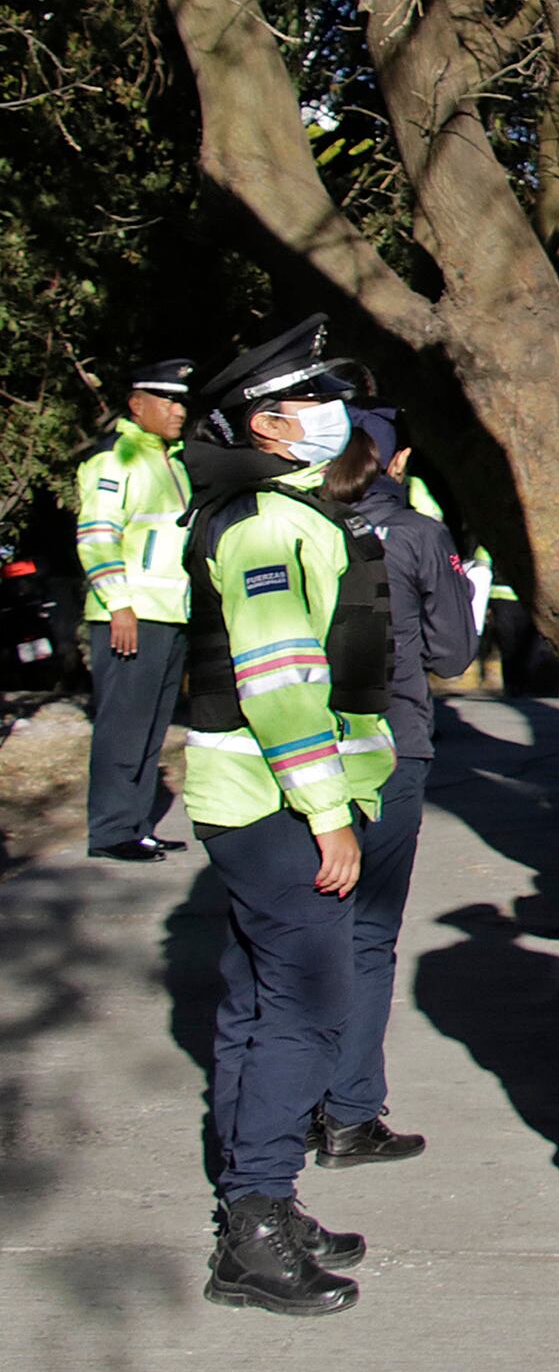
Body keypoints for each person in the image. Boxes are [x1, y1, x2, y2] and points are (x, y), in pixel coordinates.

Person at [179, 317, 395, 1316]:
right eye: (310, 400)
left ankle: (258, 1199)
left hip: (253, 802)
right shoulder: (268, 524)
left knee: (255, 1008)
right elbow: (281, 683)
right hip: (275, 803)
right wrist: (329, 814)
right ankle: (255, 1231)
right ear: (266, 425)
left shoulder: (280, 509)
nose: (329, 414)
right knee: (305, 1014)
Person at [306, 406, 477, 1168]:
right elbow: (452, 653)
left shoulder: (296, 524)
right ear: (395, 458)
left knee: (300, 937)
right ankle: (349, 1110)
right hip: (390, 746)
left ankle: (297, 1098)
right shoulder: (416, 534)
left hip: (299, 751)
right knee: (368, 935)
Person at [76, 356, 197, 861]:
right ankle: (111, 831)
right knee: (123, 726)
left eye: (182, 401)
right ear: (137, 404)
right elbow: (97, 535)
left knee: (150, 729)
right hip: (130, 615)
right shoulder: (116, 457)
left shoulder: (173, 459)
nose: (178, 410)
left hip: (170, 614)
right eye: (167, 399)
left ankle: (135, 822)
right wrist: (119, 604)